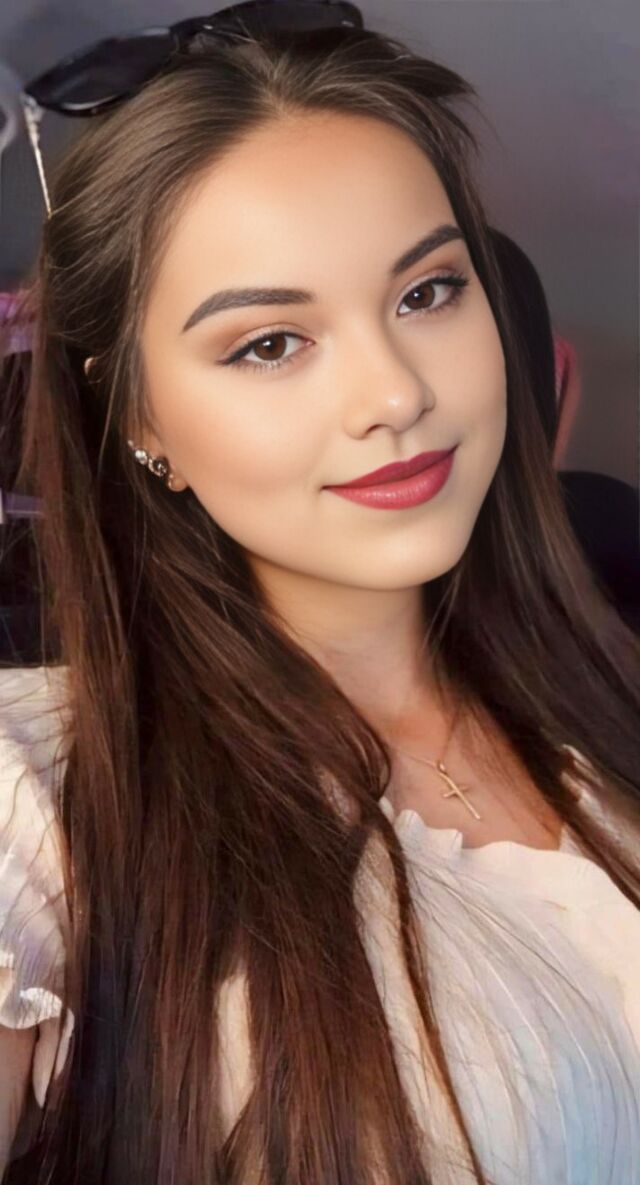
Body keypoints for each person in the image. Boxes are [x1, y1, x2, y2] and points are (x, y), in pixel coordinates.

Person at [1, 8, 640, 1184]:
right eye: (268, 344)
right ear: (140, 417)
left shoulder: (605, 679)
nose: (393, 394)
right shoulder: (44, 793)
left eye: (427, 293)